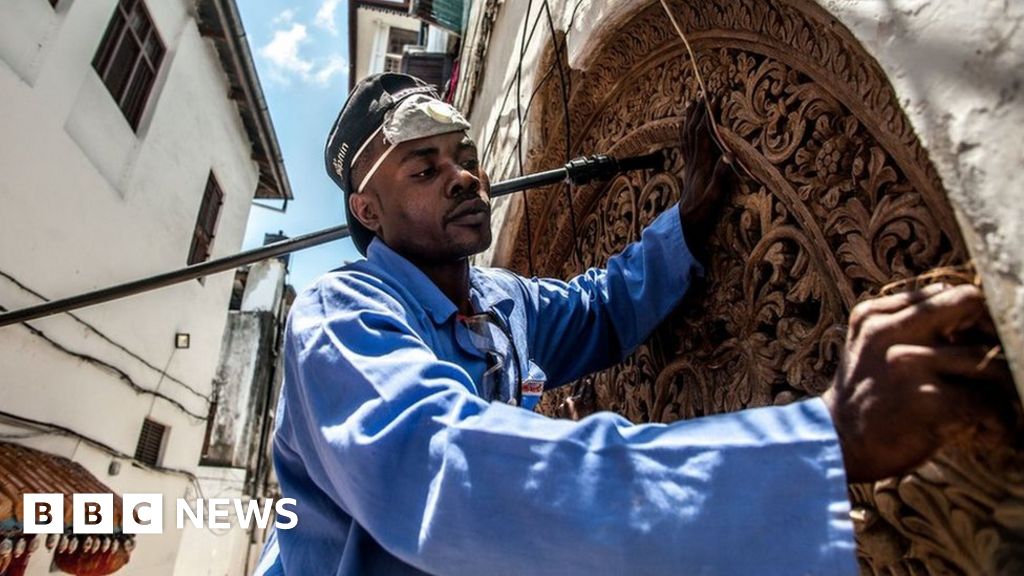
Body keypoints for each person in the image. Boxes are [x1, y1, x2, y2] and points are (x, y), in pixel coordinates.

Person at [254, 73, 1008, 575]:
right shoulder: (341, 317)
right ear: (368, 211)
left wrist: (686, 220)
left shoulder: (500, 301)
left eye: (463, 156)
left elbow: (600, 309)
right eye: (423, 169)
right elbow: (453, 471)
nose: (461, 177)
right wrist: (821, 441)